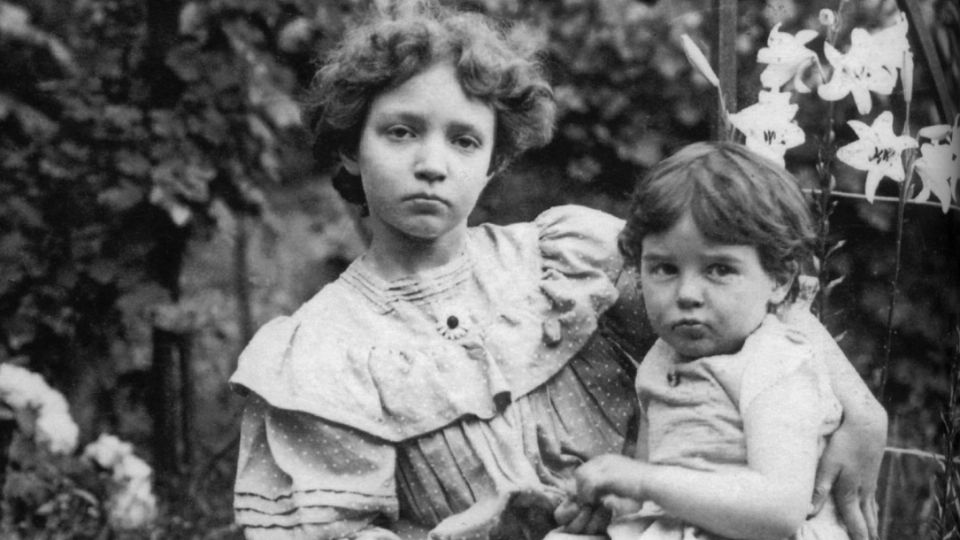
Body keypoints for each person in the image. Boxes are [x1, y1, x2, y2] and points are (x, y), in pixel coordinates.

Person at [229, 2, 886, 539]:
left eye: (464, 140)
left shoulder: (568, 260)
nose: (433, 163)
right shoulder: (323, 353)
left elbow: (748, 303)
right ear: (349, 146)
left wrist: (861, 407)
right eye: (401, 132)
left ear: (496, 161)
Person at [566, 142, 866, 539]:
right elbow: (652, 474)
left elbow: (780, 511)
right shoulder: (663, 357)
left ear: (779, 280)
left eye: (720, 269)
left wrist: (646, 482)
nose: (687, 293)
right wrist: (619, 499)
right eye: (665, 268)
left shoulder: (775, 362)